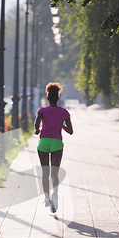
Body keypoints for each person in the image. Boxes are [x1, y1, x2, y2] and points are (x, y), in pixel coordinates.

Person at [34, 82, 73, 213]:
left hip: (43, 142)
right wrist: (60, 124)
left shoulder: (42, 110)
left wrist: (36, 130)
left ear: (47, 98)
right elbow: (71, 131)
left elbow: (37, 121)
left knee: (45, 172)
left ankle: (46, 198)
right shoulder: (64, 112)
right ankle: (55, 195)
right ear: (58, 97)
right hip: (56, 143)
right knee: (54, 173)